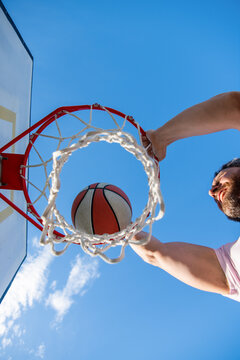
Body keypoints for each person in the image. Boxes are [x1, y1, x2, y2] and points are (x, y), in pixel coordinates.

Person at [130, 91, 240, 301]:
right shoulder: (234, 263)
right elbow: (156, 254)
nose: (211, 192)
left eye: (218, 181)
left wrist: (161, 137)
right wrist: (121, 230)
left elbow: (235, 107)